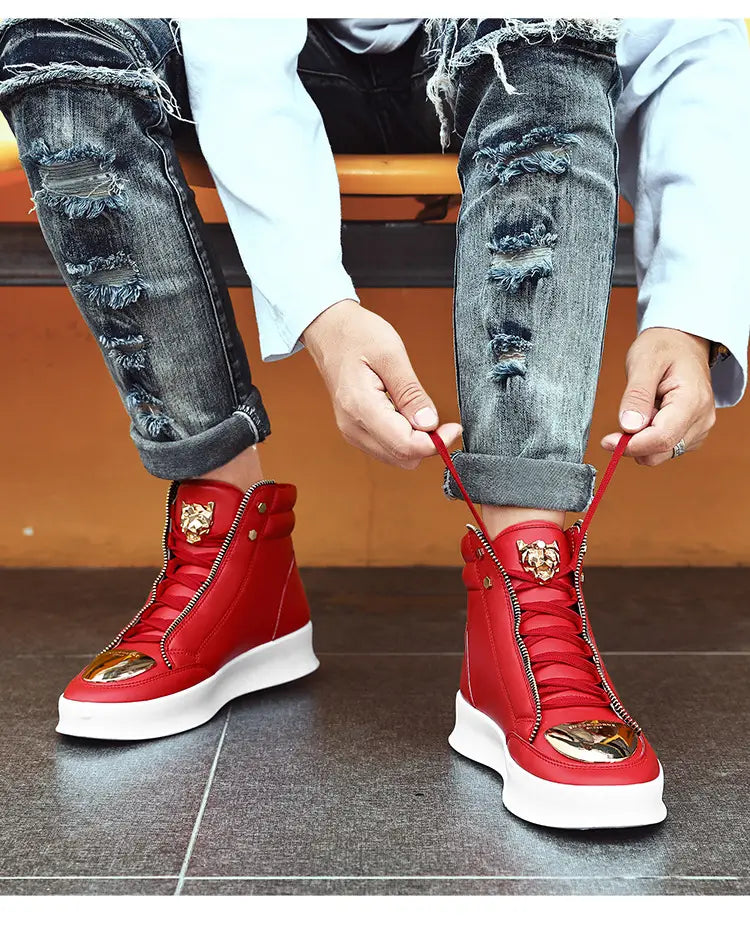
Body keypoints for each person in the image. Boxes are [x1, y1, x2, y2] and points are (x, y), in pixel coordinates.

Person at [1, 17, 748, 830]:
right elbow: (235, 55)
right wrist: (323, 307)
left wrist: (693, 309)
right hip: (246, 69)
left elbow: (688, 45)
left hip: (503, 72)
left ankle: (523, 589)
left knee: (544, 37)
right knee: (55, 43)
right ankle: (230, 552)